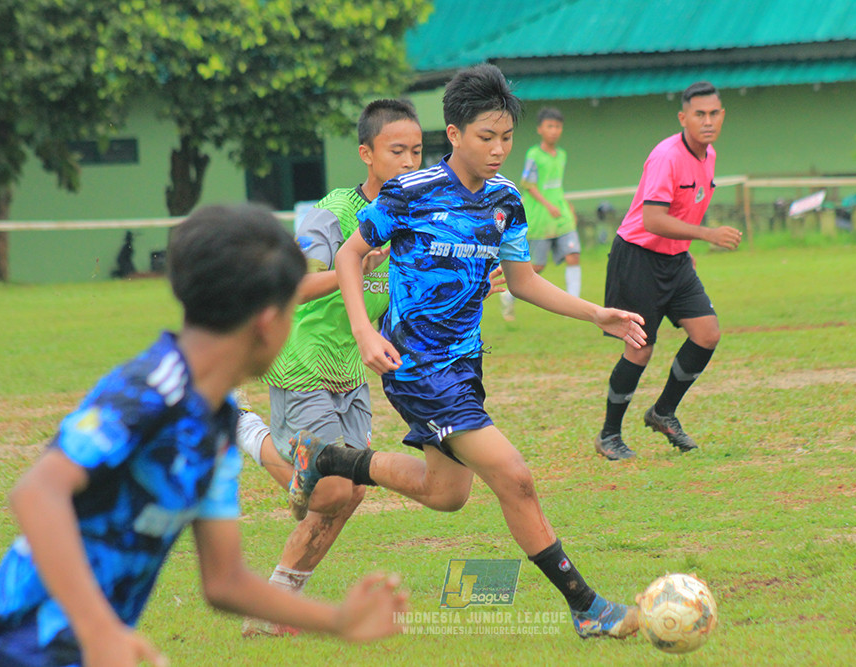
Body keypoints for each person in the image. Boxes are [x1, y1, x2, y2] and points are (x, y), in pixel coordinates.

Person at [289, 63, 647, 640]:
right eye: (487, 137)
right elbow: (351, 257)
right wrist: (363, 331)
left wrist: (597, 313)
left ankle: (328, 459)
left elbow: (525, 281)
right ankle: (585, 604)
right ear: (453, 134)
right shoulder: (409, 193)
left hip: (465, 365)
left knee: (447, 494)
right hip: (415, 366)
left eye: (507, 137)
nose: (500, 149)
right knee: (514, 476)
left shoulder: (505, 200)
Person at [0, 204, 407, 667]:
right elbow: (37, 493)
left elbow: (224, 581)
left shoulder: (216, 421)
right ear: (267, 322)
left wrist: (338, 621)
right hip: (12, 648)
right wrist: (100, 630)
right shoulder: (152, 388)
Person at [232, 99, 424, 638]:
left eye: (417, 151)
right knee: (332, 489)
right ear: (367, 154)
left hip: (351, 368)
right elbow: (291, 285)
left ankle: (272, 611)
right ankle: (245, 430)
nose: (410, 162)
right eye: (397, 151)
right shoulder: (335, 211)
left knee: (350, 492)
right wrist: (355, 267)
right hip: (302, 362)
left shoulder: (413, 216)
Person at [593, 81, 741, 461]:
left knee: (707, 334)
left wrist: (687, 249)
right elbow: (654, 219)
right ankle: (609, 435)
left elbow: (686, 207)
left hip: (676, 260)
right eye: (699, 114)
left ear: (722, 116)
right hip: (638, 257)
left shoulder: (709, 156)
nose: (707, 121)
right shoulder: (666, 156)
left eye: (714, 114)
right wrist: (707, 234)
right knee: (640, 350)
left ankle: (663, 412)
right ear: (683, 118)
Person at [501, 107, 580, 321]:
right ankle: (508, 296)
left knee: (573, 256)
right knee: (536, 266)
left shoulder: (562, 155)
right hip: (540, 216)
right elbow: (529, 184)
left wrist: (564, 204)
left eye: (557, 126)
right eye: (550, 126)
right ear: (540, 129)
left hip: (561, 215)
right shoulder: (534, 155)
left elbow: (556, 186)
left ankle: (573, 307)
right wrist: (548, 205)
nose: (554, 130)